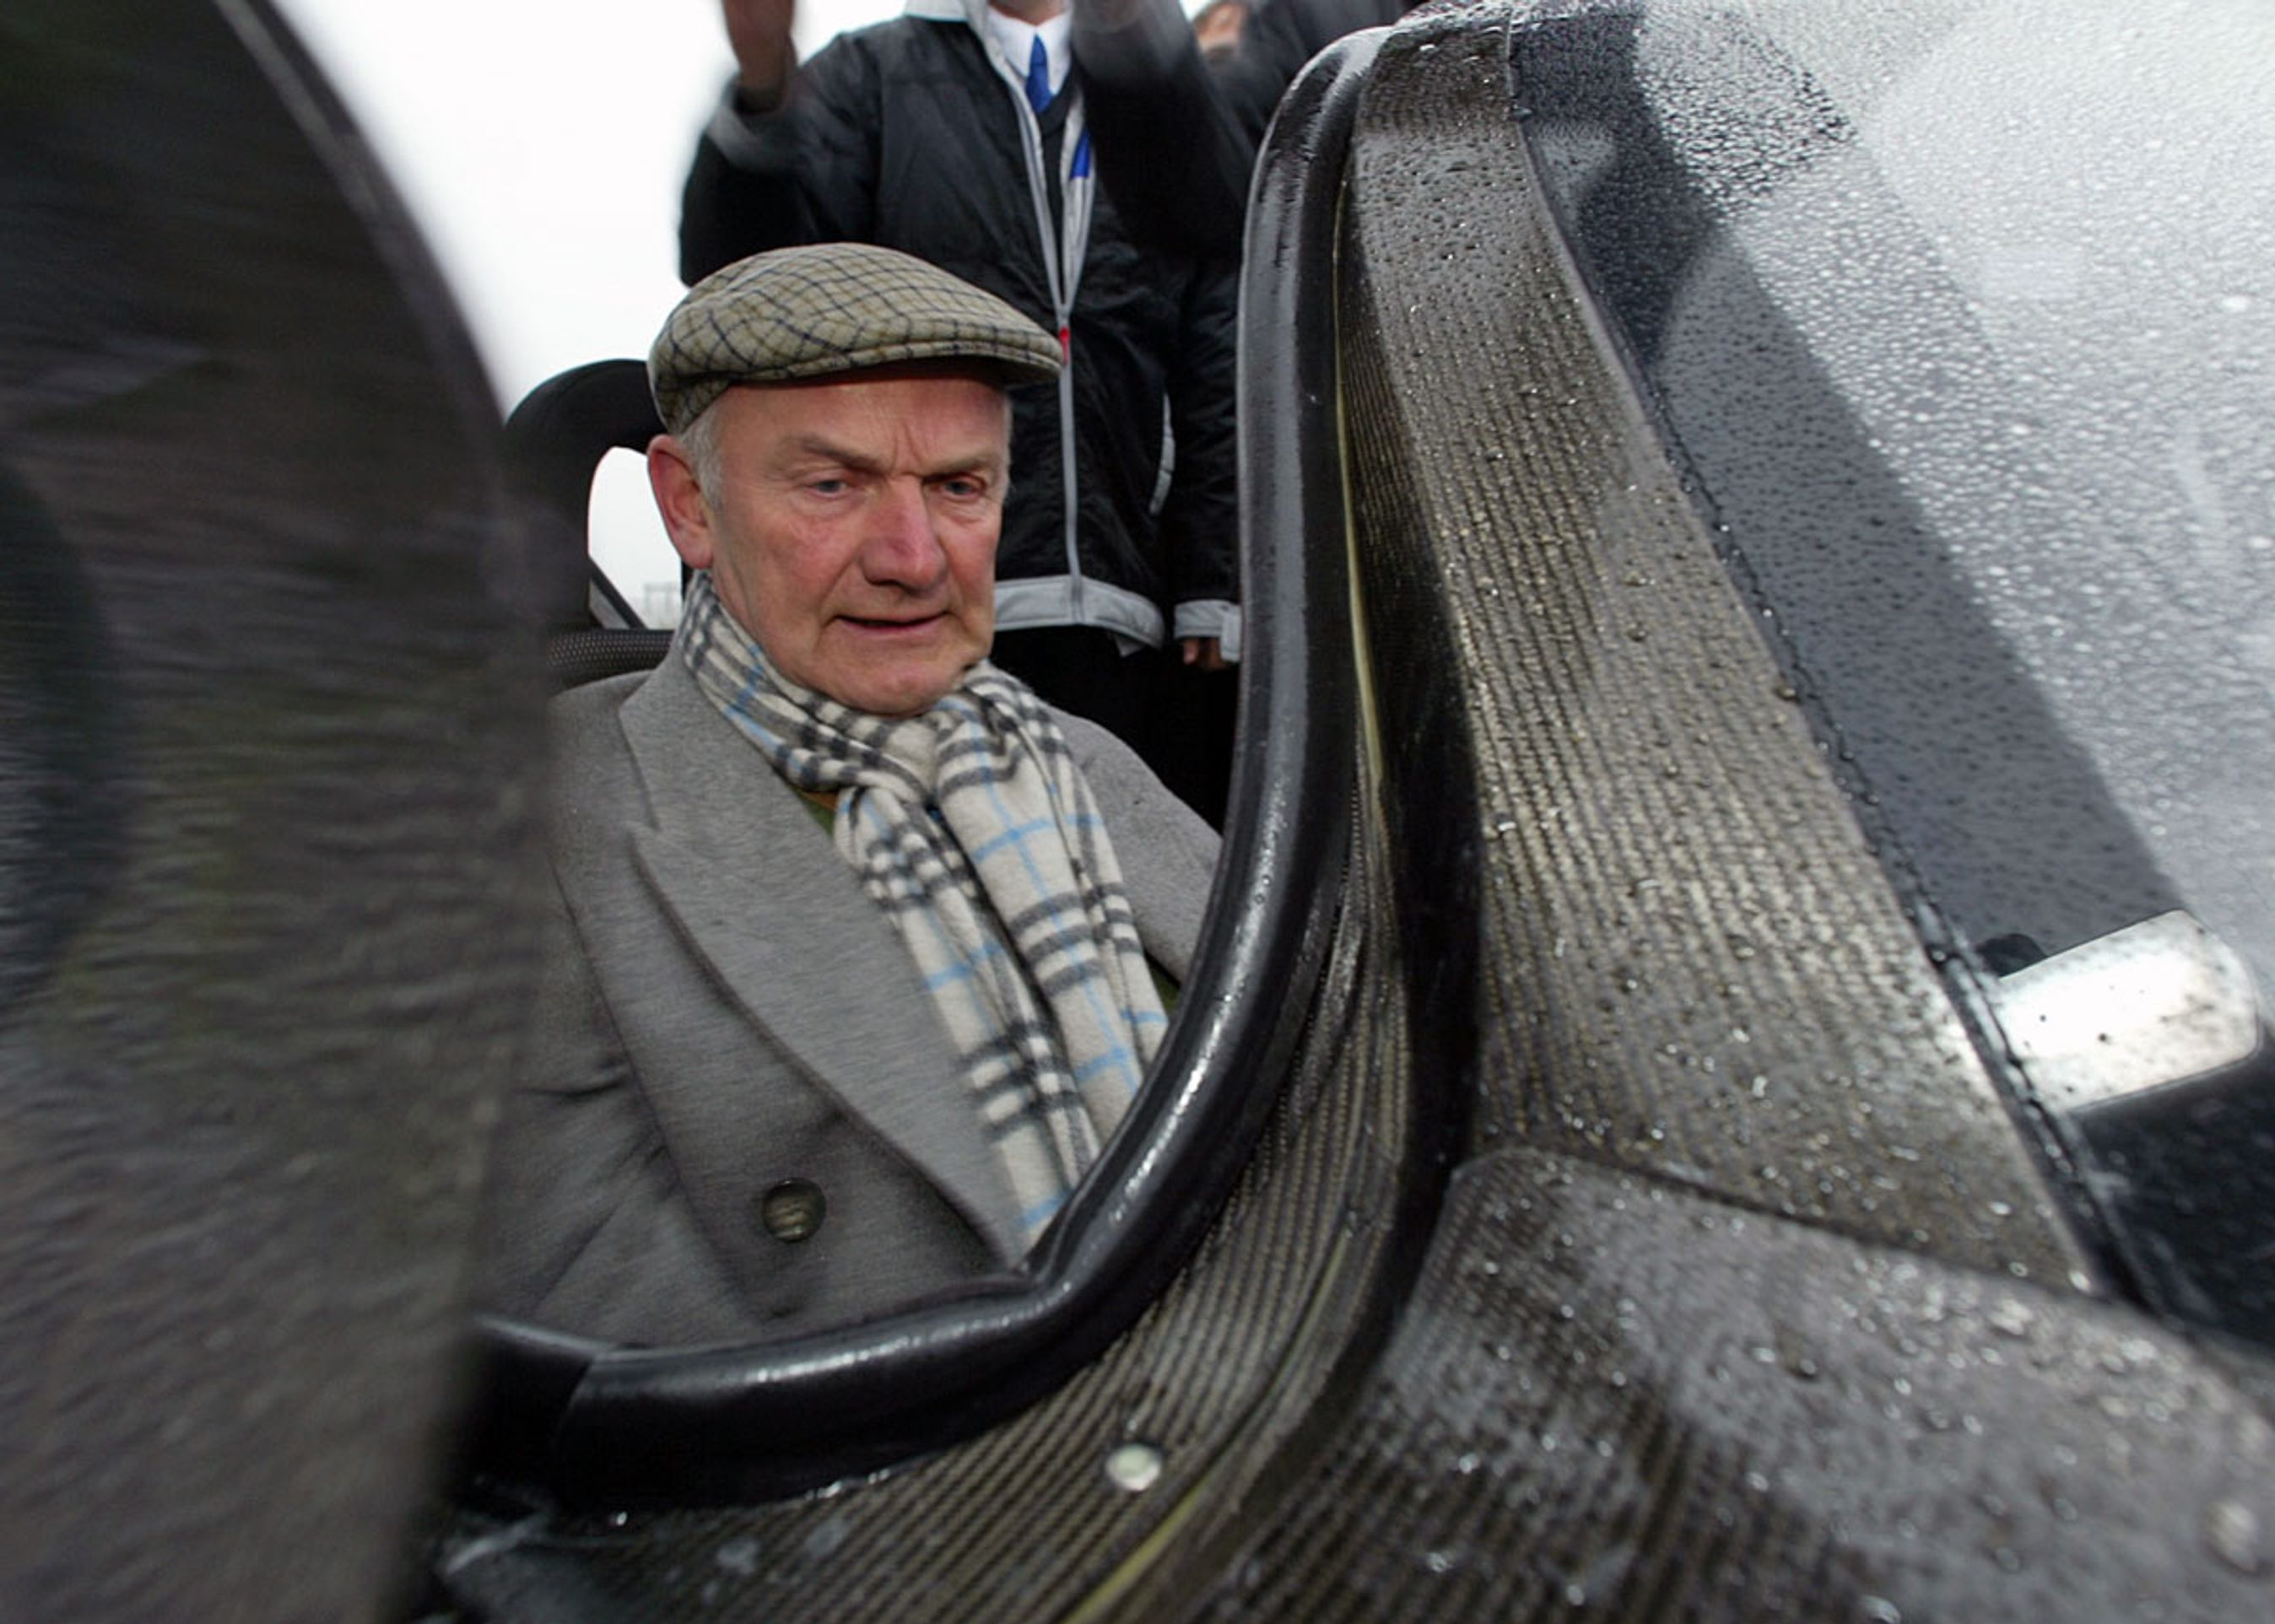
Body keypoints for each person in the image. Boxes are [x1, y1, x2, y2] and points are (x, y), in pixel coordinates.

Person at [483, 245, 1220, 1347]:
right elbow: (593, 1322)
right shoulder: (530, 830)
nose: (914, 558)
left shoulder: (1087, 761)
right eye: (833, 485)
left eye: (958, 486)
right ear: (688, 506)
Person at [680, 0, 1240, 823]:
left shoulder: (1161, 90)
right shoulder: (868, 75)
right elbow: (745, 281)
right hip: (924, 590)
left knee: (1131, 861)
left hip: (1129, 599)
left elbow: (1214, 345)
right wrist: (765, 88)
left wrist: (1214, 574)